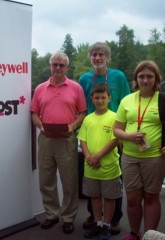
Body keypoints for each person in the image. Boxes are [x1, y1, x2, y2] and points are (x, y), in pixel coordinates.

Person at [31, 51, 86, 234]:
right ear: (50, 66)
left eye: (62, 65)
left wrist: (73, 125)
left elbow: (82, 113)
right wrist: (40, 125)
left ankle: (68, 217)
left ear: (67, 68)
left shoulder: (76, 88)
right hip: (46, 139)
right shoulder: (40, 88)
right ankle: (52, 214)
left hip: (66, 140)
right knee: (46, 180)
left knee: (69, 181)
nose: (58, 68)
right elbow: (34, 113)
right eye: (55, 64)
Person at [79, 42, 131, 234]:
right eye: (94, 54)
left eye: (101, 54)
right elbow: (81, 106)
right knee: (92, 180)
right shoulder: (84, 78)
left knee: (113, 178)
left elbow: (127, 102)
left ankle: (114, 218)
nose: (97, 58)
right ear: (90, 57)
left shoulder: (118, 76)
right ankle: (94, 216)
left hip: (115, 130)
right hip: (92, 128)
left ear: (107, 57)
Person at [113, 60, 165, 240]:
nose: (145, 80)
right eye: (141, 76)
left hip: (155, 157)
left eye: (149, 76)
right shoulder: (127, 100)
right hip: (129, 156)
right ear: (136, 79)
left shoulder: (163, 99)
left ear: (156, 78)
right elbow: (117, 128)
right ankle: (135, 233)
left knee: (151, 197)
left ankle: (149, 236)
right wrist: (128, 137)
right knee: (133, 199)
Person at [77, 84, 122, 240]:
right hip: (90, 167)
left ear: (109, 98)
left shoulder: (115, 117)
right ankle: (98, 224)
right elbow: (82, 140)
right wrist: (89, 156)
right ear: (92, 99)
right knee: (95, 197)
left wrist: (97, 157)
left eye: (104, 97)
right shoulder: (88, 119)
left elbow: (114, 140)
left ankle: (107, 226)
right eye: (97, 97)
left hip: (109, 168)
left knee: (109, 198)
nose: (100, 100)